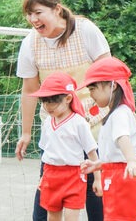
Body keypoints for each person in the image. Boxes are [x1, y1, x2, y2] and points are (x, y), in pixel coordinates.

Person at [14, 0, 111, 221]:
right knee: (45, 207)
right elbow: (29, 90)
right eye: (29, 14)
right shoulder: (30, 43)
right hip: (57, 138)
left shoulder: (85, 31)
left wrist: (128, 112)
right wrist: (26, 133)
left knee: (98, 203)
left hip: (93, 129)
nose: (33, 19)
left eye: (38, 12)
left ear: (56, 9)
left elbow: (111, 76)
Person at [81, 57, 136, 221]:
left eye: (93, 88)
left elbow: (122, 138)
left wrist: (131, 160)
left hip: (123, 177)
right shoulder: (115, 113)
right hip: (115, 174)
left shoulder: (120, 113)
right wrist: (99, 164)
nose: (90, 94)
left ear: (113, 85)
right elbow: (113, 150)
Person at [30, 71, 101, 221]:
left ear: (68, 98)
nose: (48, 106)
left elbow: (92, 152)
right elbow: (46, 152)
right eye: (44, 101)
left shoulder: (79, 122)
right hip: (51, 175)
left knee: (71, 217)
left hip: (73, 176)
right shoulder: (48, 122)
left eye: (53, 101)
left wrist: (97, 179)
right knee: (52, 217)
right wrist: (43, 177)